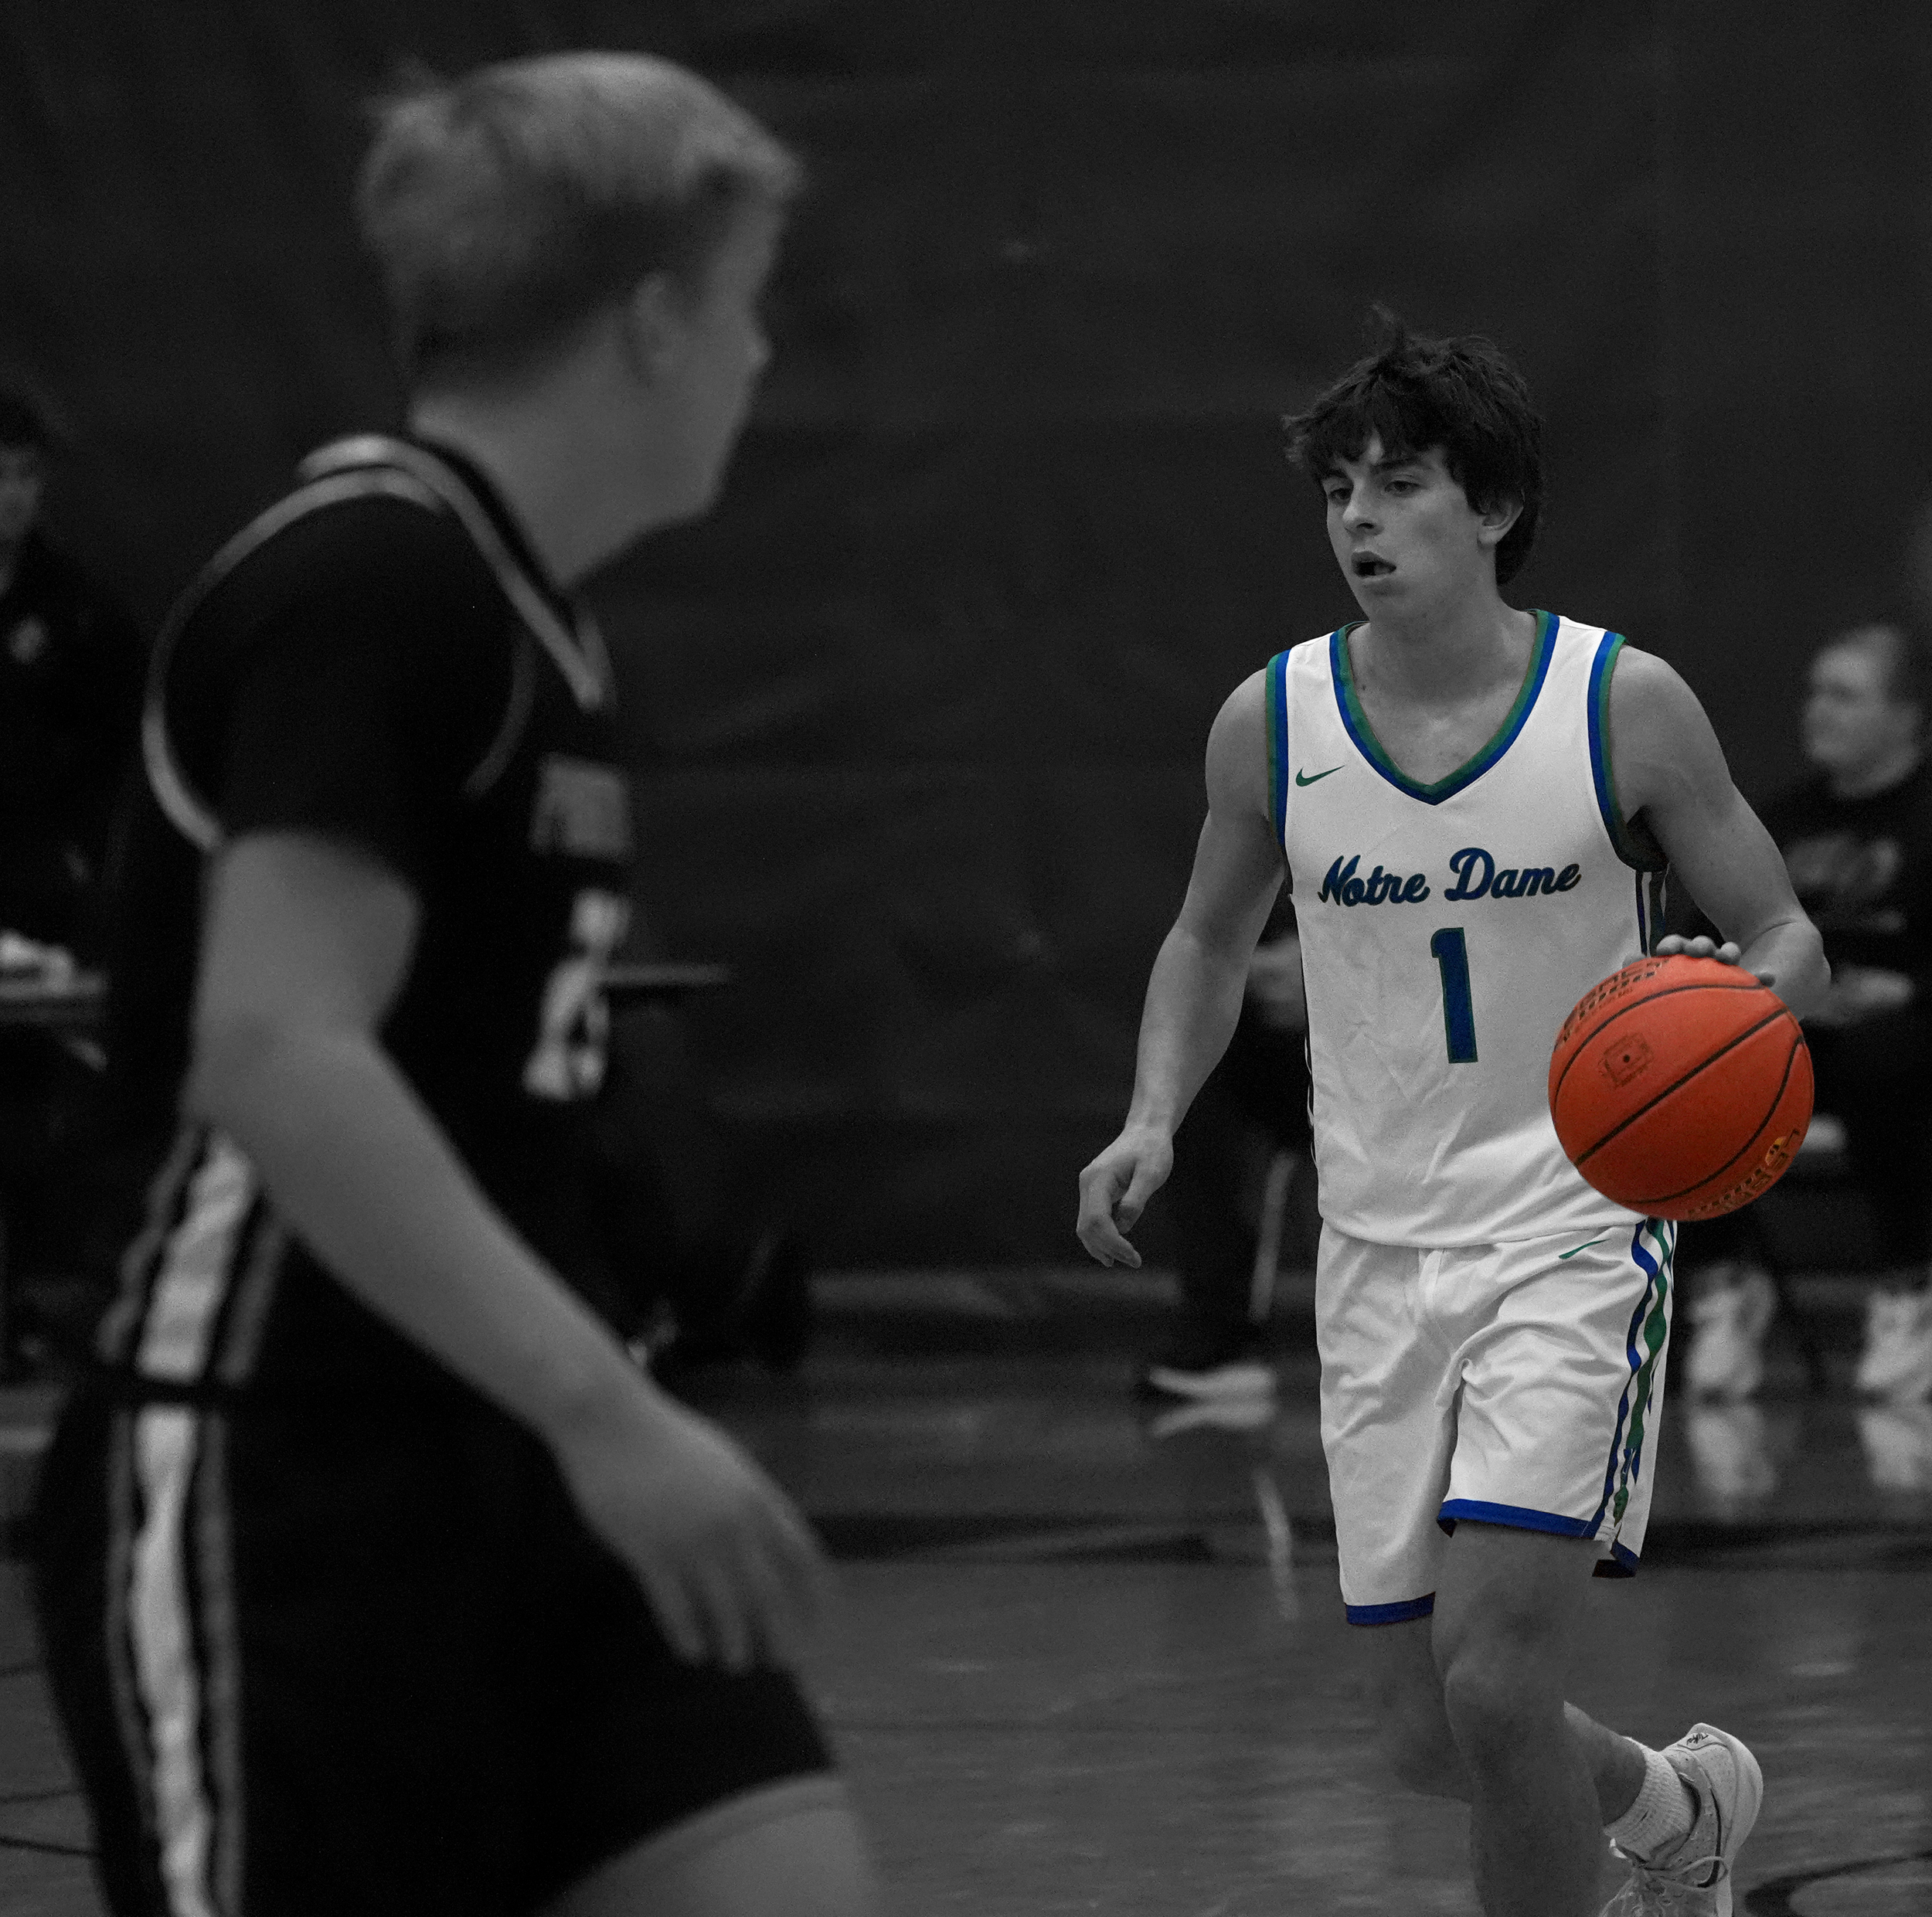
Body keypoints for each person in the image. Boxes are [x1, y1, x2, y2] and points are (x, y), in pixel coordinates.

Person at [34, 53, 879, 1917]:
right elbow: (278, 1050)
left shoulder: (516, 605)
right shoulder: (375, 580)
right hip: (288, 1483)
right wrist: (613, 1410)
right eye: (745, 310)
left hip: (516, 1465)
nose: (758, 361)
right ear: (654, 323)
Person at [1076, 314, 1828, 1917]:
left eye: (1397, 483)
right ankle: (1676, 1804)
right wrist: (1149, 1116)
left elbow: (1786, 936)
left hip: (1570, 1228)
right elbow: (1204, 940)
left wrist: (1727, 1017)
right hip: (1375, 1248)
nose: (1356, 518)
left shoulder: (1619, 702)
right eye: (1336, 488)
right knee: (1427, 1734)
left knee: (1491, 1688)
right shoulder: (1267, 722)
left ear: (1485, 507)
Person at [1682, 619, 1932, 1403]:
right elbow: (1704, 933)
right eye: (1813, 692)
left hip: (1906, 1038)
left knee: (1887, 1055)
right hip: (1797, 1031)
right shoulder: (1780, 822)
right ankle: (1722, 1282)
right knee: (1684, 1071)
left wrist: (1911, 990)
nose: (1816, 710)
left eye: (1844, 695)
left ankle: (1909, 1288)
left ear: (1907, 716)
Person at [1134, 916, 1311, 1402]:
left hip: (1406, 1026)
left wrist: (1330, 961)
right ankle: (1225, 1344)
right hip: (1281, 1048)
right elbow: (1205, 927)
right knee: (1211, 1130)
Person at [0, 380, 145, 957]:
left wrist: (87, 860)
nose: (11, 494)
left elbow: (121, 747)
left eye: (26, 474)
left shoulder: (78, 609)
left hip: (48, 884)